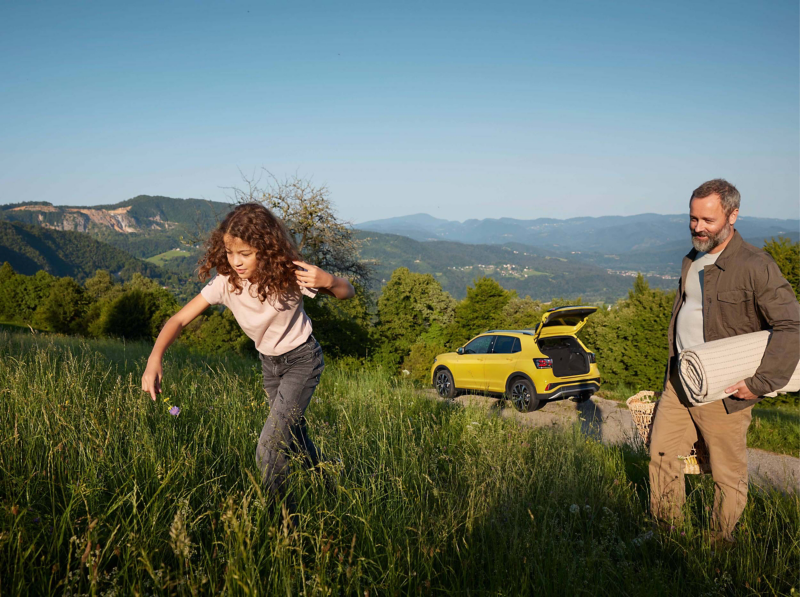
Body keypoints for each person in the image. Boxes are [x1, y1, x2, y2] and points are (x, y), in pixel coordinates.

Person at [141, 202, 354, 505]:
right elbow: (178, 320)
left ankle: (285, 530)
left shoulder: (288, 273)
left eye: (245, 253)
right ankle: (332, 487)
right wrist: (154, 358)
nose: (236, 262)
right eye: (230, 253)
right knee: (292, 439)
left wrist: (330, 282)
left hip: (303, 361)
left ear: (265, 250)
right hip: (270, 366)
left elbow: (348, 292)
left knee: (268, 449)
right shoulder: (225, 284)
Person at [648, 179, 800, 544]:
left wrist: (761, 383)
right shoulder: (693, 256)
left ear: (733, 215)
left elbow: (792, 325)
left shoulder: (756, 266)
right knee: (661, 456)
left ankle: (718, 546)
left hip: (726, 388)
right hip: (679, 381)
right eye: (693, 218)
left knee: (726, 473)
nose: (697, 227)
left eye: (708, 220)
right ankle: (668, 536)